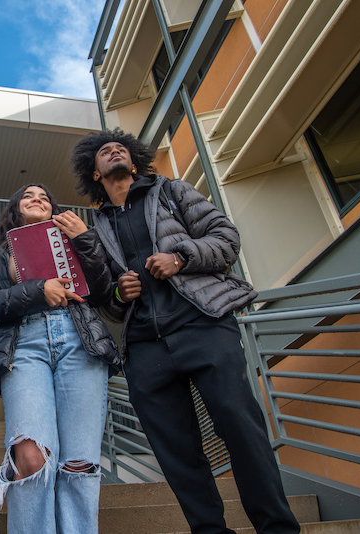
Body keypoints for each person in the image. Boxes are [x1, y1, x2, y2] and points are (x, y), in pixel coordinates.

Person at [70, 128, 301, 534]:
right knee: (175, 451)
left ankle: (278, 528)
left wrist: (181, 257)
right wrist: (122, 295)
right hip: (144, 346)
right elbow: (104, 300)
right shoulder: (97, 226)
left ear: (135, 160)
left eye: (120, 147)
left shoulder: (172, 191)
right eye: (104, 151)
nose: (113, 151)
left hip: (204, 324)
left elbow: (227, 239)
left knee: (240, 428)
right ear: (94, 173)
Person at [0, 184, 120, 534]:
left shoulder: (75, 238)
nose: (37, 199)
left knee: (79, 464)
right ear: (14, 210)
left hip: (78, 341)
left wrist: (85, 239)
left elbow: (101, 291)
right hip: (24, 345)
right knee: (30, 458)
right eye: (28, 196)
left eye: (44, 197)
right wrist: (40, 290)